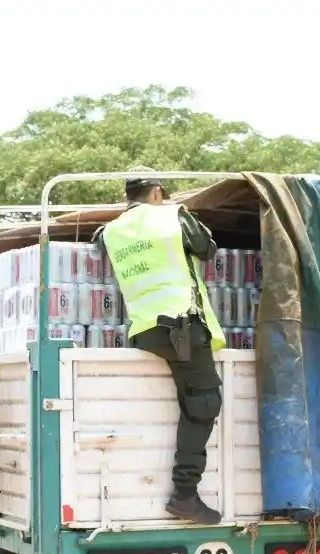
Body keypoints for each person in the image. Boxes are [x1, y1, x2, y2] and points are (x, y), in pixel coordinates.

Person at [95, 170, 226, 524]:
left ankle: (183, 490)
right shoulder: (173, 216)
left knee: (189, 399)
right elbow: (206, 249)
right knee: (204, 401)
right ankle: (185, 494)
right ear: (156, 193)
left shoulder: (111, 230)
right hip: (181, 325)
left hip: (145, 329)